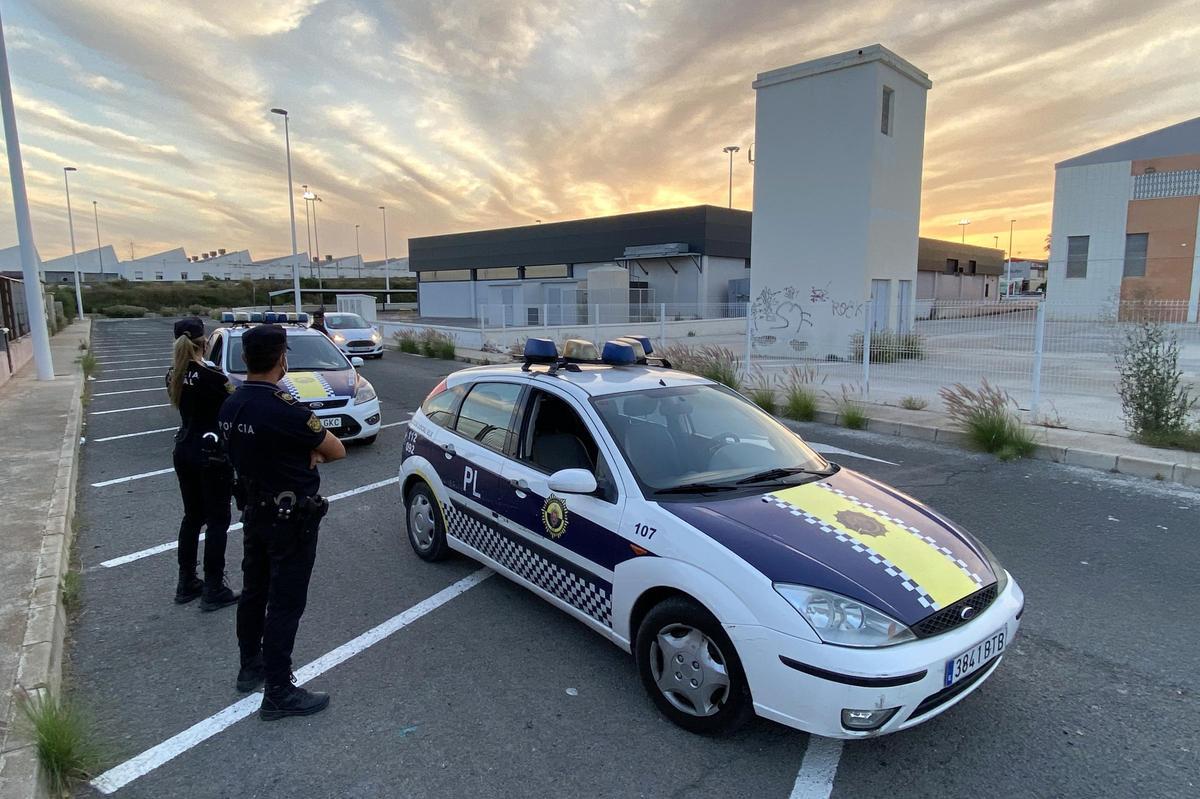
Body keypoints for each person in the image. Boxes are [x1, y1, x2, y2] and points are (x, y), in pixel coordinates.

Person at [219, 323, 346, 720]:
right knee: (286, 603)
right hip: (290, 519)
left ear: (245, 359)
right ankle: (277, 690)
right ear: (282, 359)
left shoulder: (231, 403)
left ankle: (250, 666)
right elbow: (336, 449)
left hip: (254, 512)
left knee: (254, 591)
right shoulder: (285, 409)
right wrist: (312, 454)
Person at [165, 317, 239, 611]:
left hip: (184, 448)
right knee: (218, 520)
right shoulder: (214, 378)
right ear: (204, 342)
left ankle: (186, 582)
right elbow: (231, 413)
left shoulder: (174, 374)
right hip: (211, 452)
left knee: (193, 516)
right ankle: (213, 587)